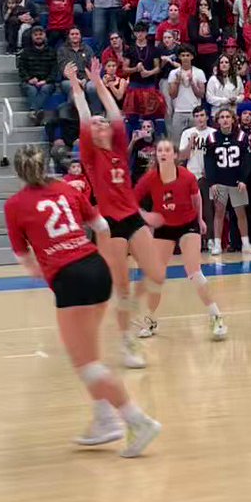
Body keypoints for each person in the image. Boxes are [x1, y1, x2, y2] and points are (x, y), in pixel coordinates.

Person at [4, 144, 162, 457]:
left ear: (18, 172)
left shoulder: (15, 205)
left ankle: (137, 420)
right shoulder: (66, 188)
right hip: (96, 269)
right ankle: (105, 421)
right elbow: (102, 226)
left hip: (70, 279)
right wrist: (103, 258)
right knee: (91, 356)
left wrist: (37, 266)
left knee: (86, 364)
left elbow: (22, 254)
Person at [68, 61, 169, 370]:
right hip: (109, 224)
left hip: (132, 217)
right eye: (95, 125)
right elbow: (86, 114)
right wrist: (76, 83)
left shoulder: (118, 145)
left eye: (102, 124)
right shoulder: (90, 152)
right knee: (122, 286)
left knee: (156, 273)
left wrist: (99, 81)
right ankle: (127, 341)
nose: (100, 125)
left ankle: (130, 312)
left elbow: (114, 111)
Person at [134, 139, 229, 341]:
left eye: (167, 150)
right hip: (164, 228)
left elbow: (197, 199)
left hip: (188, 224)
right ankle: (150, 320)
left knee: (194, 272)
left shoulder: (186, 176)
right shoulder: (150, 178)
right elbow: (132, 202)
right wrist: (146, 216)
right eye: (160, 150)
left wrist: (201, 219)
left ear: (175, 155)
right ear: (156, 155)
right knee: (156, 277)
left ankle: (216, 317)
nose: (163, 153)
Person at [204, 107, 251, 255]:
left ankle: (246, 244)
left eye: (228, 116)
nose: (225, 119)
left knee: (240, 212)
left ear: (233, 119)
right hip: (219, 181)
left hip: (236, 181)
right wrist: (212, 182)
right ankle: (217, 245)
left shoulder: (241, 136)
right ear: (218, 121)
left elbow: (246, 160)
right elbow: (208, 162)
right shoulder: (212, 138)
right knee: (219, 212)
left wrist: (243, 179)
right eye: (222, 117)